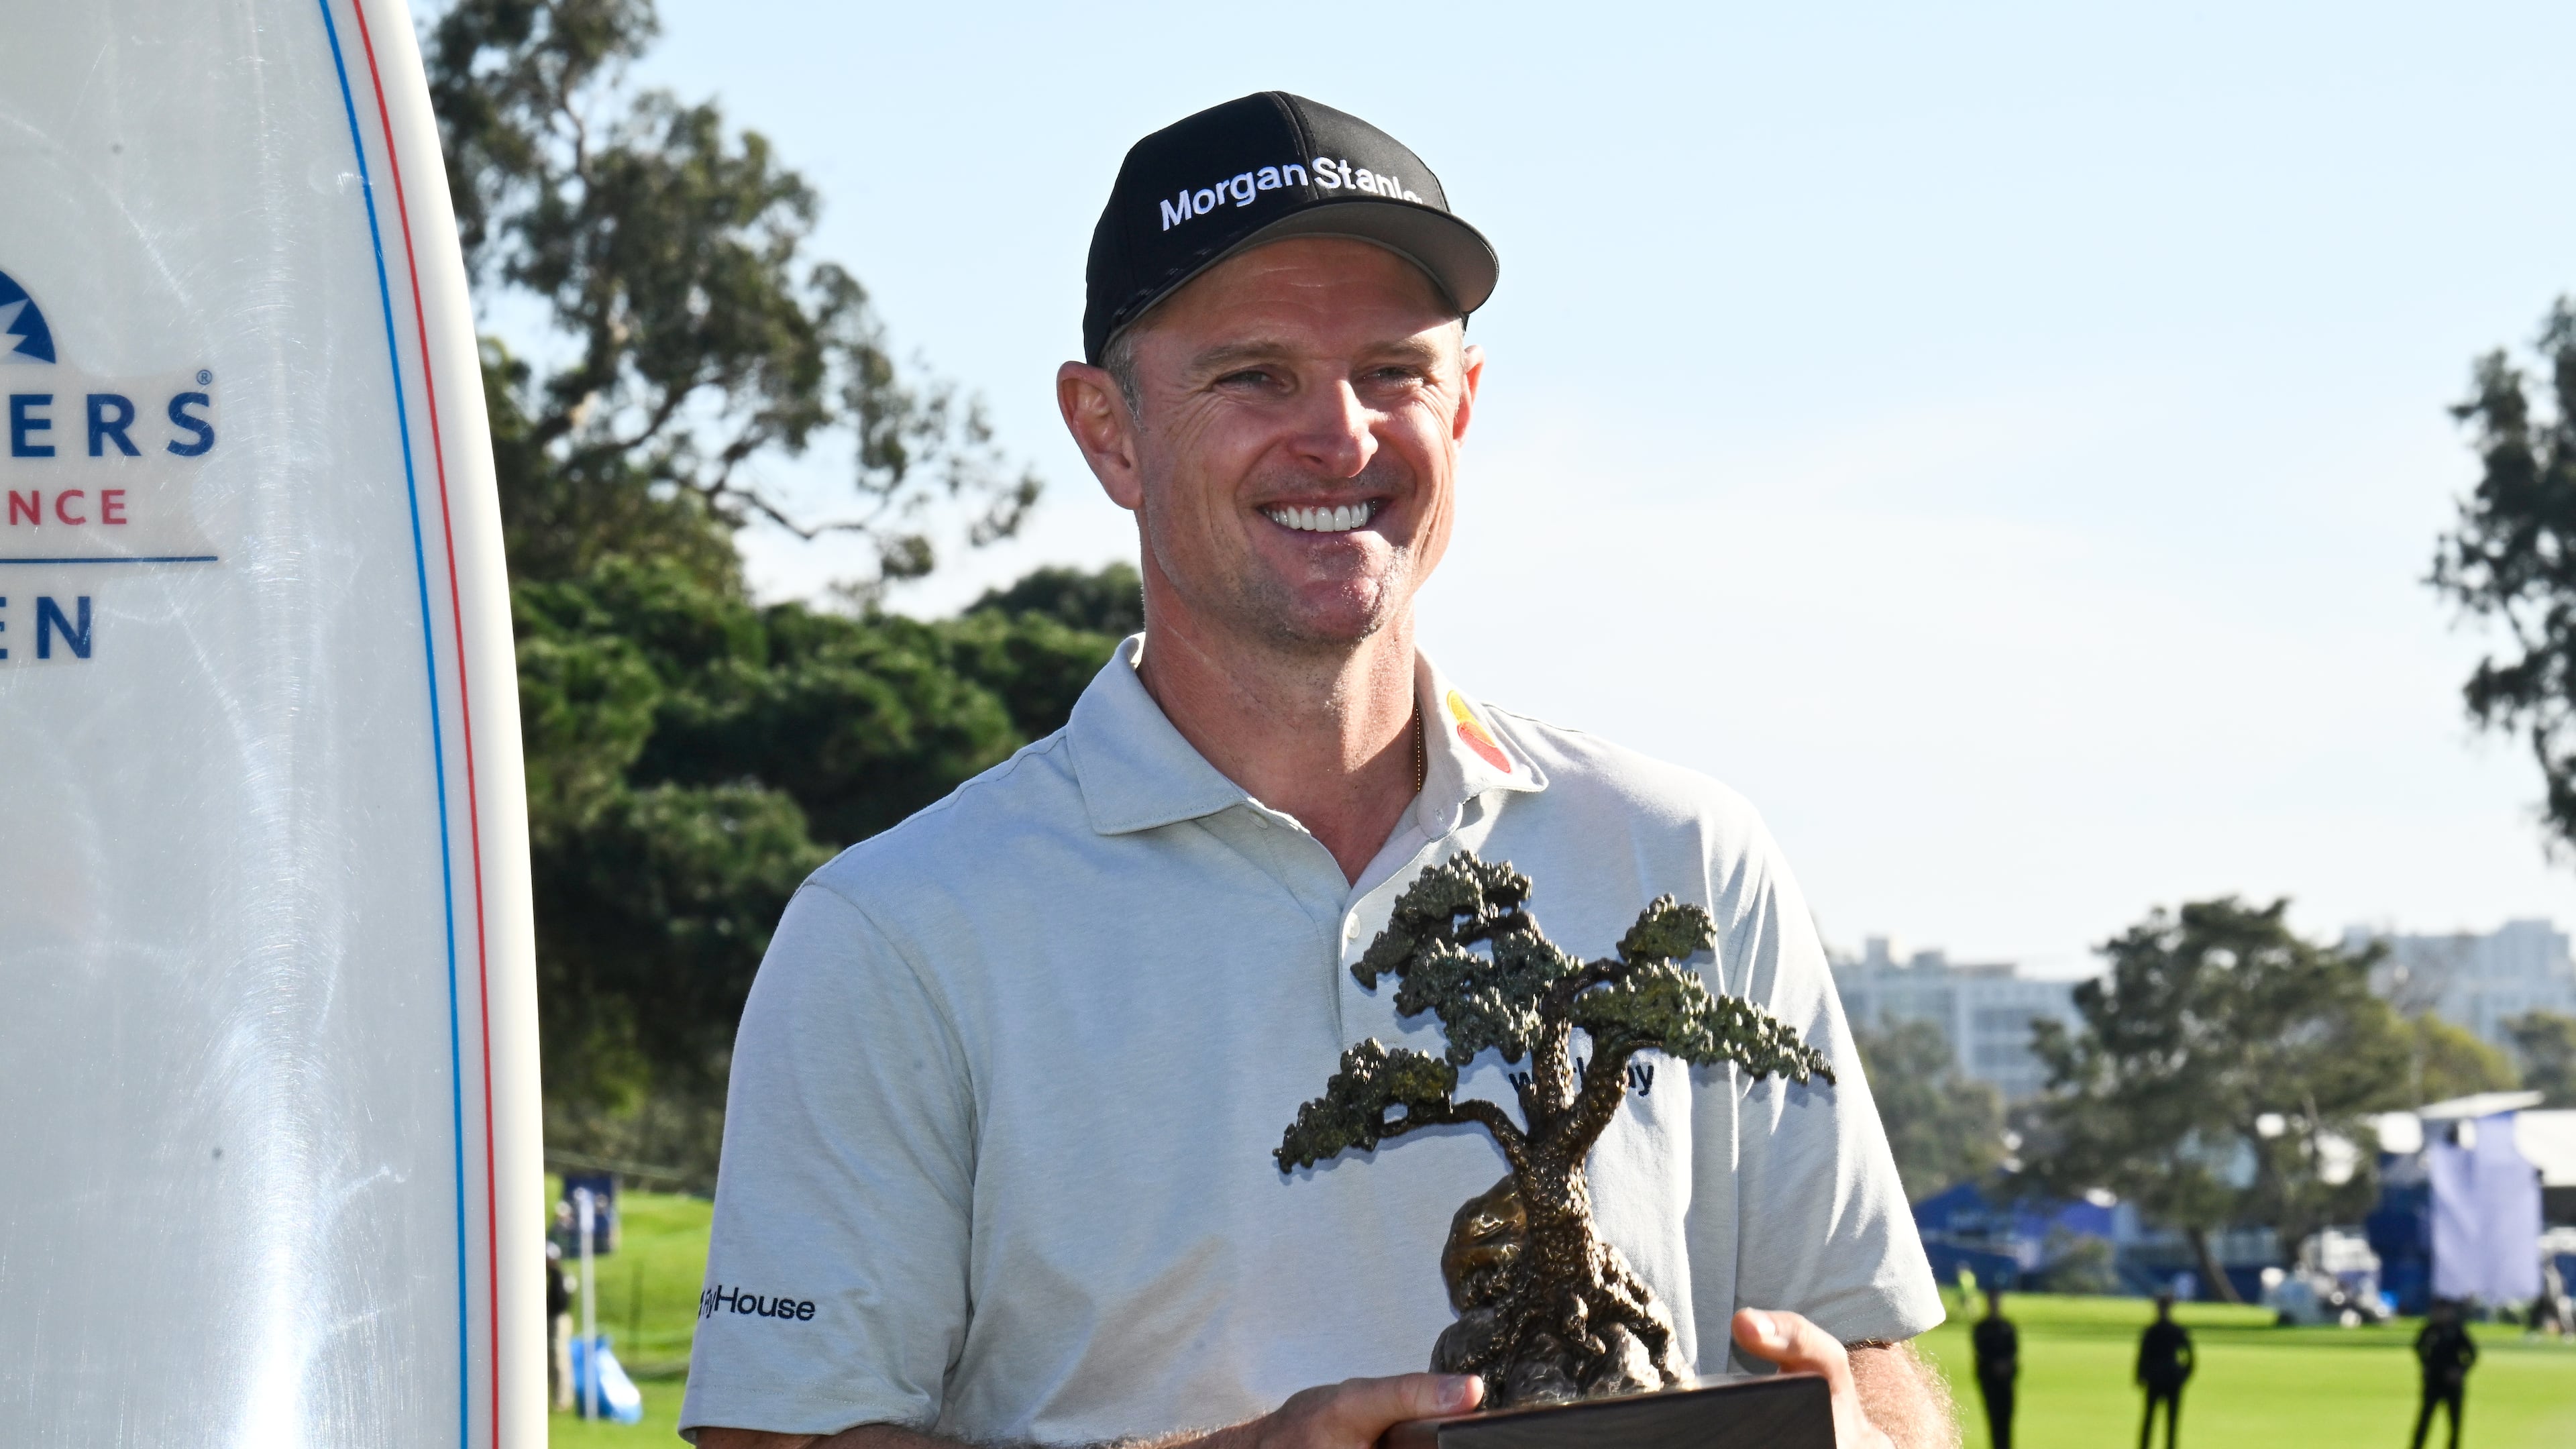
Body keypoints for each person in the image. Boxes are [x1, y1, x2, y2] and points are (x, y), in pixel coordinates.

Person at [679, 92, 1950, 1449]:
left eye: (1394, 371)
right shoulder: (896, 932)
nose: (1340, 437)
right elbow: (784, 1437)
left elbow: (1872, 1382)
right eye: (1254, 375)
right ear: (1108, 428)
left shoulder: (1689, 861)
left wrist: (1870, 1436)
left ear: (1464, 403)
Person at [2410, 1299, 2476, 1449]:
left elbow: (2472, 1355)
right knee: (2425, 1418)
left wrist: (2460, 1371)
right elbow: (2418, 1347)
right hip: (2433, 1381)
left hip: (2452, 1384)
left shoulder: (2457, 1330)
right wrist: (2426, 1365)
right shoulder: (2430, 1329)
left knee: (2455, 1422)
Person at [2135, 1292, 2193, 1449]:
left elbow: (2142, 1356)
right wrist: (2184, 1375)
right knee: (2172, 1421)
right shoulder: (2178, 1330)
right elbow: (2190, 1358)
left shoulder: (2151, 1331)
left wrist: (2140, 1375)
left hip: (2154, 1377)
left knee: (2149, 1418)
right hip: (2173, 1378)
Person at [1970, 1288, 2018, 1449]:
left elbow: (2013, 1352)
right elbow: (1981, 1352)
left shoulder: (2008, 1327)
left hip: (2006, 1381)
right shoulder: (1981, 1328)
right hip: (1989, 1381)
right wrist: (1994, 1366)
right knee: (1993, 1417)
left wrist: (2007, 1366)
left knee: (2007, 1418)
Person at [546, 1241, 574, 1413]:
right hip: (555, 1320)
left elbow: (560, 1302)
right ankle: (558, 1398)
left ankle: (562, 1400)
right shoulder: (554, 1276)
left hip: (557, 1321)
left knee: (558, 1360)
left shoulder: (559, 1277)